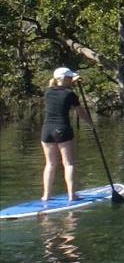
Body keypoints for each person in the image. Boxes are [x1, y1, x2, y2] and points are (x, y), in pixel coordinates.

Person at [41, 66, 81, 203]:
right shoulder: (70, 94)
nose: (71, 80)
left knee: (50, 164)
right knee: (69, 164)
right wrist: (91, 124)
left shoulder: (48, 92)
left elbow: (61, 87)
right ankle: (72, 195)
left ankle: (46, 196)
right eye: (69, 78)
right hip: (62, 129)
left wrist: (73, 80)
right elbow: (81, 113)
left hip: (46, 130)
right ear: (64, 79)